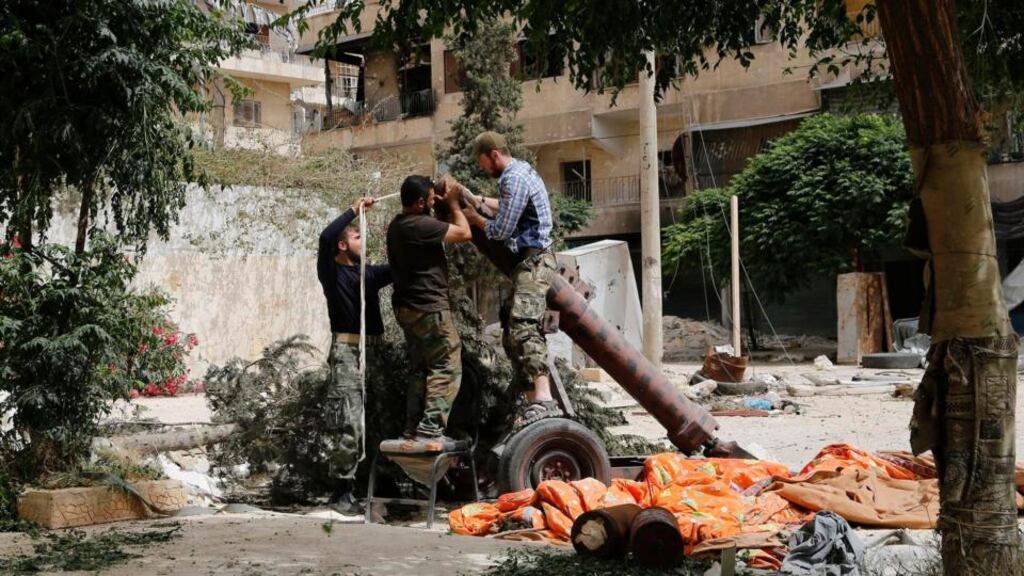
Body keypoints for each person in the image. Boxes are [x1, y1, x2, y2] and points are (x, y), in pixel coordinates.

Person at [457, 131, 560, 423]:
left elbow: (500, 230)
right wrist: (476, 199)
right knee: (510, 330)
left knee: (525, 325)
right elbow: (507, 206)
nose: (484, 170)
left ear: (494, 155)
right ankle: (531, 399)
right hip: (528, 263)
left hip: (535, 263)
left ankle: (544, 397)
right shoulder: (519, 172)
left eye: (484, 163)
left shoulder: (512, 178)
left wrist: (473, 217)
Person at [386, 175, 473, 441]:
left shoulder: (398, 225)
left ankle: (412, 428)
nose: (435, 203)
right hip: (429, 308)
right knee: (446, 364)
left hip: (407, 308)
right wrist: (455, 205)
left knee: (420, 369)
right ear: (421, 202)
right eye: (432, 200)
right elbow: (464, 233)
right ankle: (431, 427)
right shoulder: (418, 225)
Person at [317, 196, 392, 499]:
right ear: (343, 245)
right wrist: (354, 209)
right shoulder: (332, 274)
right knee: (349, 421)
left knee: (380, 419)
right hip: (347, 353)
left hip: (374, 352)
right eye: (358, 236)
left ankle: (378, 483)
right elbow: (325, 238)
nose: (364, 240)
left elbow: (403, 264)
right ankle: (342, 489)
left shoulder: (369, 275)